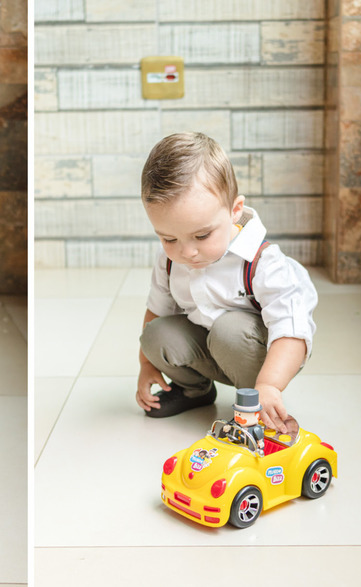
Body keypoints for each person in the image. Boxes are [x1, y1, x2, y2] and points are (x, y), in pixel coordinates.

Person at [134, 132, 317, 433]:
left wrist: (270, 384)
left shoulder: (263, 261)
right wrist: (147, 365)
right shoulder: (169, 260)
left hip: (266, 352)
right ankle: (195, 391)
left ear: (235, 211)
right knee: (155, 334)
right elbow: (157, 311)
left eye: (202, 235)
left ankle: (255, 406)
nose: (187, 251)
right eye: (169, 238)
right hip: (211, 343)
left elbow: (291, 332)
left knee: (228, 330)